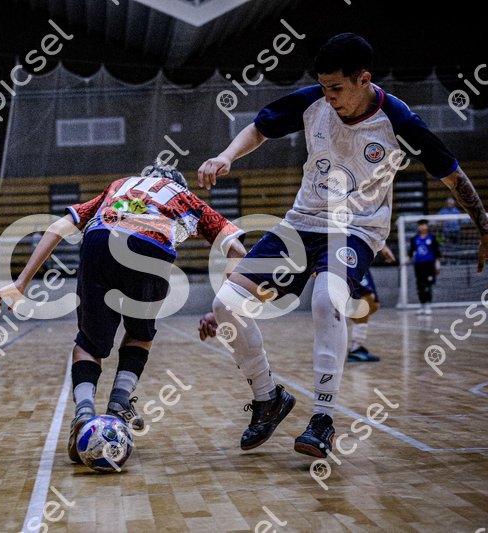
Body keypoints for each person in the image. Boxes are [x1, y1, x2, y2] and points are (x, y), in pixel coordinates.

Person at [197, 33, 488, 458]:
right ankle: (268, 397)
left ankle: (323, 419)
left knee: (326, 300)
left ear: (363, 79)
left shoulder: (399, 121)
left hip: (355, 229)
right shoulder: (312, 101)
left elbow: (451, 175)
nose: (329, 96)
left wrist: (483, 225)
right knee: (225, 305)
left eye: (336, 88)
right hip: (302, 222)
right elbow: (260, 127)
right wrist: (226, 156)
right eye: (324, 87)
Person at [0, 162, 246, 463]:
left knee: (89, 344)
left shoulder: (118, 186)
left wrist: (21, 282)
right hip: (151, 246)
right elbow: (238, 252)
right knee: (140, 334)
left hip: (99, 241)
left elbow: (58, 228)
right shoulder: (183, 195)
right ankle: (118, 404)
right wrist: (223, 306)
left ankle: (83, 412)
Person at [346, 245, 395, 362]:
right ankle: (356, 347)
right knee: (367, 298)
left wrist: (383, 246)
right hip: (348, 253)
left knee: (374, 305)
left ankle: (351, 343)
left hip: (360, 254)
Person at [410, 219, 441, 315]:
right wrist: (403, 263)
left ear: (427, 226)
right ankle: (422, 305)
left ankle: (428, 305)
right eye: (420, 225)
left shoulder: (432, 238)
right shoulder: (414, 238)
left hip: (429, 265)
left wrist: (437, 265)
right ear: (418, 227)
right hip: (418, 265)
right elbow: (410, 252)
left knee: (428, 285)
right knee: (420, 286)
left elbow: (437, 253)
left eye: (424, 224)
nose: (422, 226)